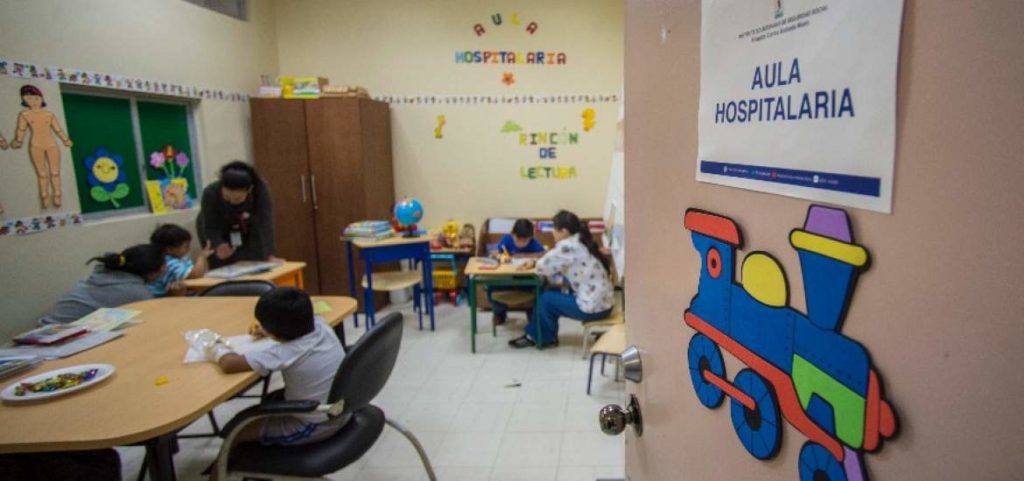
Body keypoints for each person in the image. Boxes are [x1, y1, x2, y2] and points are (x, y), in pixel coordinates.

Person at [195, 287, 345, 451]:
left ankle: (223, 465)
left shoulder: (286, 352)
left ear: (275, 333)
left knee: (237, 432)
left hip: (315, 425)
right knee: (263, 406)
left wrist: (214, 347)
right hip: (338, 410)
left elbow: (229, 364)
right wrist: (271, 331)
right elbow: (295, 323)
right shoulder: (320, 325)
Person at [509, 210, 614, 348]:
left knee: (545, 299)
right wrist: (536, 261)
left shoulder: (568, 246)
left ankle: (540, 338)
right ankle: (541, 335)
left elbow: (542, 267)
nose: (552, 232)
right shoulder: (581, 240)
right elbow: (553, 261)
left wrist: (534, 262)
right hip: (604, 304)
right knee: (549, 294)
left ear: (564, 231)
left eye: (554, 228)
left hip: (593, 308)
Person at [40, 244, 166, 325]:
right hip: (60, 342)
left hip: (41, 331)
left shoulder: (102, 276)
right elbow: (154, 320)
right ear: (153, 272)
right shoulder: (138, 293)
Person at [196, 161, 279, 269]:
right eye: (227, 197)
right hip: (216, 224)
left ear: (249, 190)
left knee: (256, 259)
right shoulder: (210, 193)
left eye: (237, 199)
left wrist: (269, 255)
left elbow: (265, 223)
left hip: (247, 223)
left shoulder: (260, 190)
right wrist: (218, 244)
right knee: (221, 261)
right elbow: (210, 226)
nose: (231, 202)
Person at [10, 85, 73, 209]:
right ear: (24, 100)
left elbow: (58, 129)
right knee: (42, 174)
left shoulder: (49, 115)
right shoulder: (25, 115)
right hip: (36, 145)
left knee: (55, 172)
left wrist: (65, 140)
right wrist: (18, 140)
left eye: (36, 98)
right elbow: (21, 130)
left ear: (41, 98)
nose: (33, 101)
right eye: (29, 99)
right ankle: (44, 196)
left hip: (51, 144)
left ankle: (57, 194)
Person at [486, 218, 545, 325]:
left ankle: (531, 313)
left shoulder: (533, 243)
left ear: (530, 237)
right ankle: (500, 313)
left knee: (539, 287)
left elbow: (543, 254)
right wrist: (498, 255)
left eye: (525, 241)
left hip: (526, 278)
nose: (521, 244)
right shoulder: (506, 239)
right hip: (507, 276)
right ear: (512, 234)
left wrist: (523, 255)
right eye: (518, 240)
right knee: (490, 287)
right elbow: (496, 252)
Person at [147, 224, 214, 296]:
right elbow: (195, 275)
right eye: (186, 246)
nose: (189, 249)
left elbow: (194, 272)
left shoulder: (182, 258)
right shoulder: (168, 262)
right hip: (161, 297)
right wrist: (202, 257)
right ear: (169, 249)